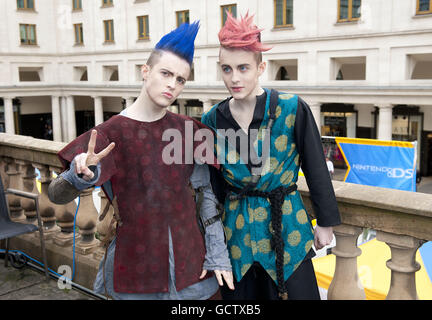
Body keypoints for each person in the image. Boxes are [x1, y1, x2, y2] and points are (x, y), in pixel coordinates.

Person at [48, 22, 234, 300]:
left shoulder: (189, 130)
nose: (172, 84)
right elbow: (55, 195)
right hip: (136, 273)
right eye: (166, 73)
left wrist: (218, 253)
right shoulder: (108, 134)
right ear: (146, 72)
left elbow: (206, 199)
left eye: (181, 79)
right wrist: (77, 176)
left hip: (193, 271)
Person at [201, 12, 341, 300]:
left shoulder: (292, 108)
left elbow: (315, 166)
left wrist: (325, 222)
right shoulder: (211, 120)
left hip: (287, 230)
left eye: (243, 68)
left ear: (260, 67)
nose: (234, 78)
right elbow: (212, 186)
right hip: (236, 238)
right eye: (226, 69)